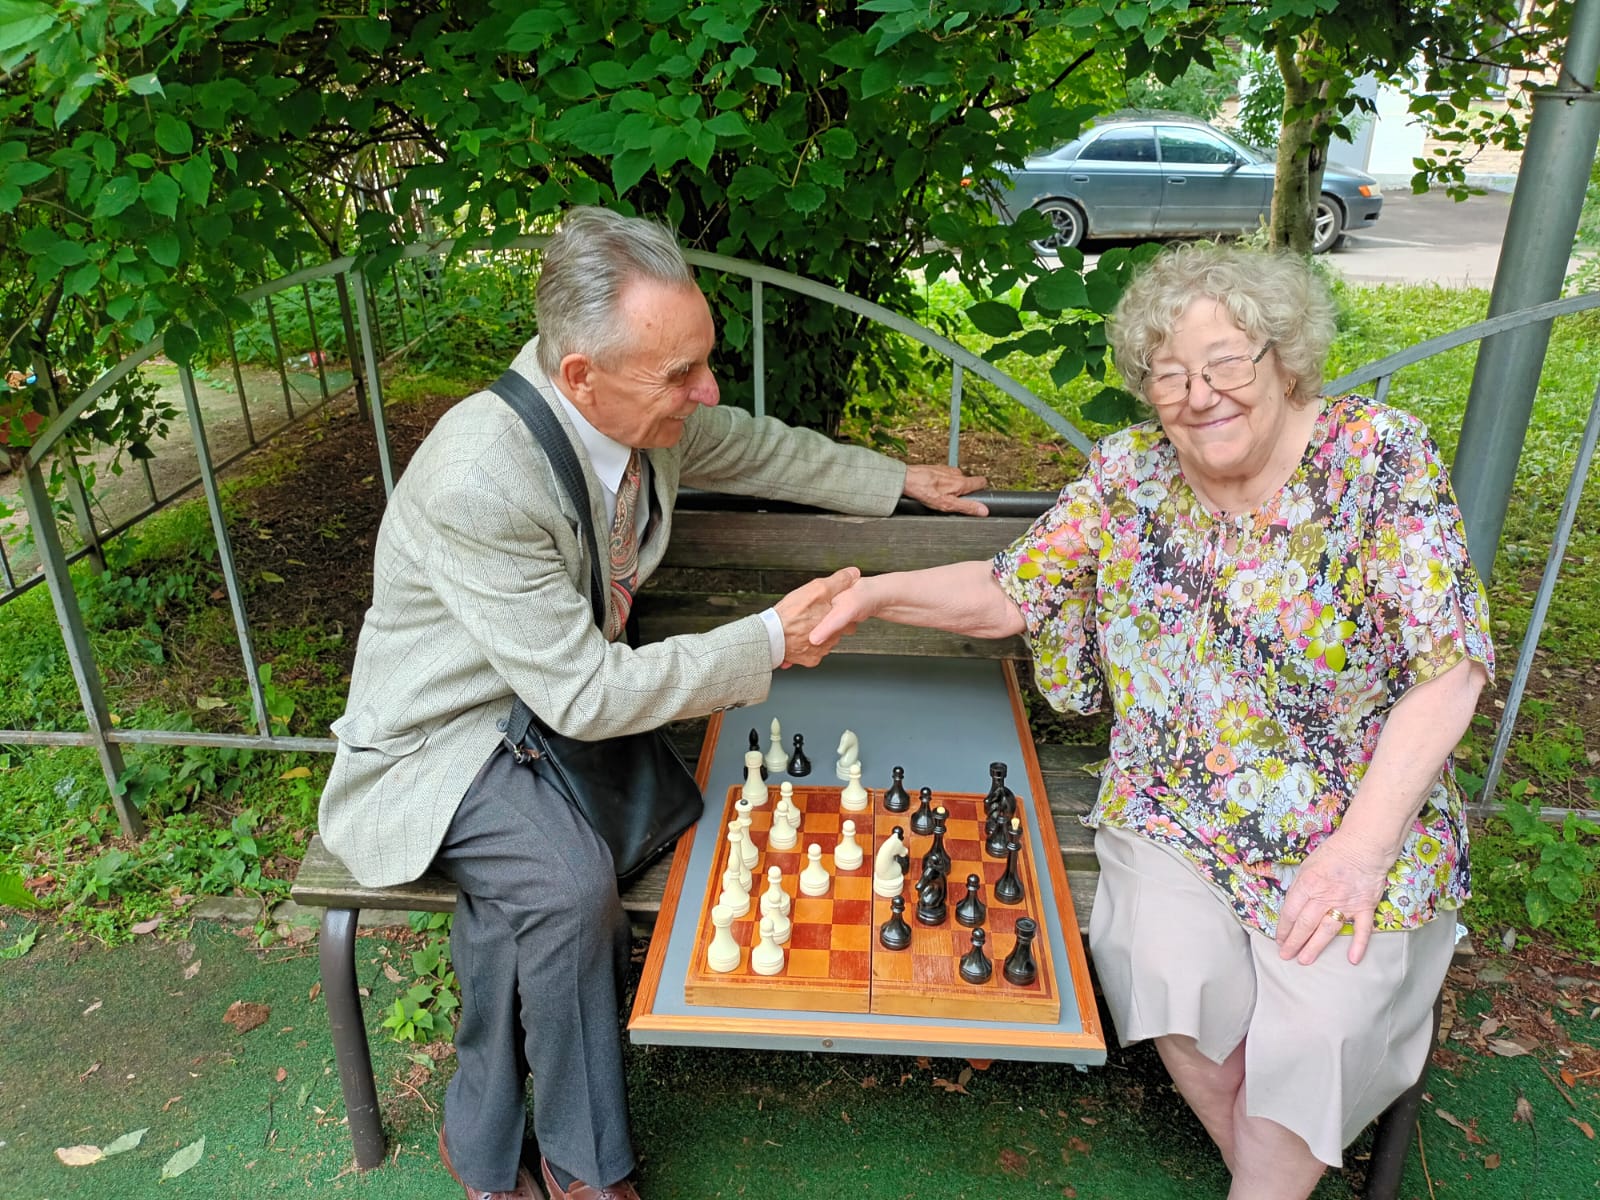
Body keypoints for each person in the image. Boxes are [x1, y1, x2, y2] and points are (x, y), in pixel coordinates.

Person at [317, 206, 986, 1200]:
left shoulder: (642, 418)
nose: (704, 390)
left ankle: (481, 1132)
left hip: (552, 721)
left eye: (703, 361)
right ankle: (590, 1172)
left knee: (546, 887)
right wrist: (769, 641)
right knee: (564, 890)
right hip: (446, 741)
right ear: (580, 373)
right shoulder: (479, 476)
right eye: (681, 374)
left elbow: (755, 447)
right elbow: (587, 690)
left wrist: (896, 480)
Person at [811, 242, 1493, 1199]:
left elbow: (1449, 673)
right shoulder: (1131, 474)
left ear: (1284, 361)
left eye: (1226, 364)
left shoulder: (1378, 459)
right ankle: (1269, 1167)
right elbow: (1008, 594)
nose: (1199, 394)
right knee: (1168, 976)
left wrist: (1359, 852)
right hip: (1174, 803)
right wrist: (870, 594)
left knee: (1321, 1028)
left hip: (1354, 812)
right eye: (1170, 375)